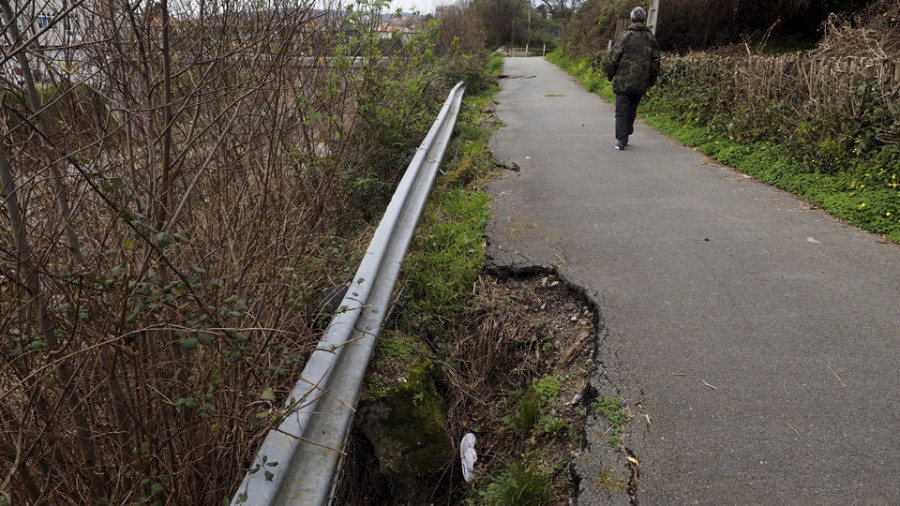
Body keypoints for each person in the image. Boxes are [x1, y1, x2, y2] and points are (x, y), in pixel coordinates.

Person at [604, 6, 660, 150]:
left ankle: (622, 140)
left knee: (621, 111)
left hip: (623, 81)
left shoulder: (625, 35)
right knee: (632, 109)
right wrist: (651, 80)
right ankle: (627, 132)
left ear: (632, 19)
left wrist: (610, 74)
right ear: (644, 19)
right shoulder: (650, 37)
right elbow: (656, 61)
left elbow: (614, 57)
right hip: (641, 81)